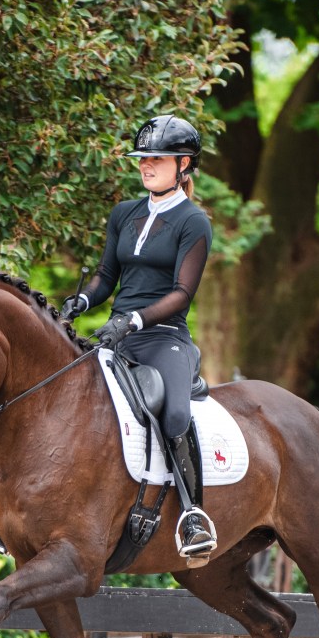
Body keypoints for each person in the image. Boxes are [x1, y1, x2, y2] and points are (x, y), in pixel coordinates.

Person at [62, 113, 217, 562]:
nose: (145, 165)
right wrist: (84, 303)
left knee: (172, 414)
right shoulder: (124, 214)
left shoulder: (194, 222)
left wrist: (133, 321)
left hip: (163, 336)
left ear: (183, 164)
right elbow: (106, 276)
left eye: (156, 158)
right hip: (115, 337)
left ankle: (193, 515)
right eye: (141, 159)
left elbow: (182, 294)